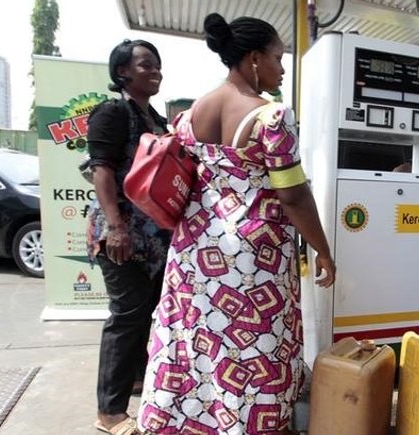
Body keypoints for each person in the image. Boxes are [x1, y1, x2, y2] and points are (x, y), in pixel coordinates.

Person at [137, 14, 335, 435]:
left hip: (195, 254)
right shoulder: (271, 118)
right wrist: (323, 249)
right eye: (278, 58)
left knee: (197, 340)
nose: (282, 69)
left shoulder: (189, 116)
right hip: (251, 260)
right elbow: (294, 195)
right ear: (254, 59)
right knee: (254, 345)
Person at [86, 39, 171, 434]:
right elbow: (101, 169)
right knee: (126, 317)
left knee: (145, 315)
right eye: (145, 65)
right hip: (120, 234)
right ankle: (109, 413)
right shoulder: (113, 112)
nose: (155, 71)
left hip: (153, 239)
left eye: (157, 65)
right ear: (122, 72)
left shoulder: (154, 119)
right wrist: (116, 226)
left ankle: (136, 380)